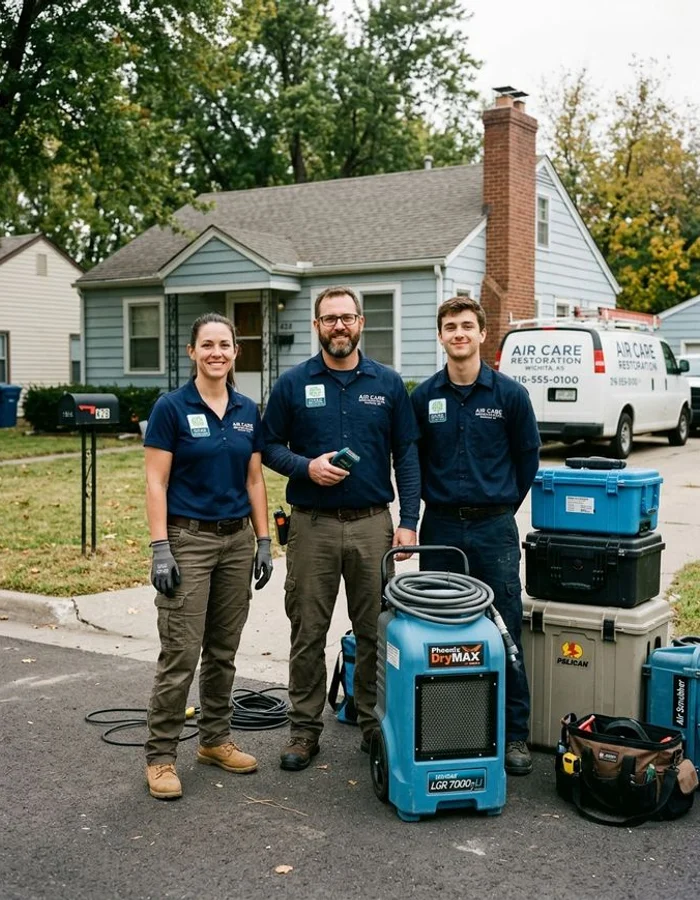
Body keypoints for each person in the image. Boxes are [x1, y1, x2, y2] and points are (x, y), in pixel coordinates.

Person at [262, 286, 420, 771]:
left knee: (376, 632)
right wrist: (306, 468)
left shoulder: (389, 384)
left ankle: (373, 726)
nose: (339, 326)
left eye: (347, 318)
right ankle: (304, 730)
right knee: (308, 630)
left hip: (374, 525)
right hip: (313, 527)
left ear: (361, 323)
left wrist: (409, 522)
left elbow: (407, 455)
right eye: (329, 319)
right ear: (316, 326)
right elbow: (268, 447)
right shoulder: (292, 384)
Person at [143, 312, 273, 800]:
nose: (217, 352)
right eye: (208, 344)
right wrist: (161, 548)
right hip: (188, 541)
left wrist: (263, 541)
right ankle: (160, 757)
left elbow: (254, 479)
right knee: (181, 652)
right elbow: (156, 481)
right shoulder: (171, 408)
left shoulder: (246, 409)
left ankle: (215, 739)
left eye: (225, 344)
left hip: (237, 541)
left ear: (236, 352)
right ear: (192, 352)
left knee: (223, 650)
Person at [410, 296, 540, 776]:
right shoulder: (423, 398)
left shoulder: (509, 396)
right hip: (440, 528)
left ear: (483, 334)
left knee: (503, 629)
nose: (459, 333)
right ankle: (445, 728)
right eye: (450, 326)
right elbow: (412, 463)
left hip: (493, 529)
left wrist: (498, 505)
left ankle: (514, 736)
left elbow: (527, 462)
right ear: (440, 336)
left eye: (467, 326)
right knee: (438, 629)